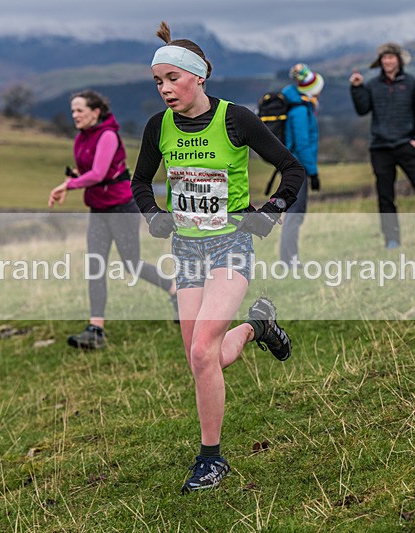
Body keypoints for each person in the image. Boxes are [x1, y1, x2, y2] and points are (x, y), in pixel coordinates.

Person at [131, 21, 305, 494]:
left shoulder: (237, 119)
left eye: (172, 79)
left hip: (231, 244)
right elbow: (140, 182)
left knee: (204, 350)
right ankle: (256, 327)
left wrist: (270, 212)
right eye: (158, 82)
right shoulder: (158, 127)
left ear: (199, 76)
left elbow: (293, 170)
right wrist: (153, 214)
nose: (165, 89)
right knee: (200, 357)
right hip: (186, 249)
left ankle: (211, 459)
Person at [49, 90, 177, 349]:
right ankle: (95, 329)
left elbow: (97, 174)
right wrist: (72, 177)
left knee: (132, 264)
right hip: (98, 209)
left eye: (80, 111)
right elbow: (88, 171)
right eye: (73, 111)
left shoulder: (107, 135)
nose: (75, 115)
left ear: (95, 112)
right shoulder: (81, 138)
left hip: (121, 207)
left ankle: (175, 291)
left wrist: (69, 185)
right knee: (95, 266)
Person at [349, 42, 415, 249]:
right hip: (380, 148)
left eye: (391, 57)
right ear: (380, 62)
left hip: (406, 144)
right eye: (384, 58)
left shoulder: (412, 84)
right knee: (385, 195)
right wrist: (357, 88)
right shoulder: (372, 85)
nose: (387, 61)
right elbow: (362, 109)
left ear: (399, 60)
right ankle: (392, 240)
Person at [279, 63, 324, 265]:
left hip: (294, 166)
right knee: (295, 212)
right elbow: (303, 144)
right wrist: (313, 173)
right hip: (297, 168)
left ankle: (288, 257)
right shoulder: (299, 110)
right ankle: (290, 259)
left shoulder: (299, 105)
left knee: (294, 212)